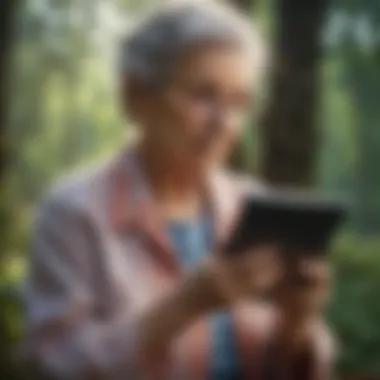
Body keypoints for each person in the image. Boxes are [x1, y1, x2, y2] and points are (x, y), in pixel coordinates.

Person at [22, 2, 334, 379]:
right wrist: (184, 306)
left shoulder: (250, 204)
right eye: (204, 95)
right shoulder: (74, 212)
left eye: (239, 102)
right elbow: (57, 365)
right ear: (136, 96)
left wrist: (297, 321)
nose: (224, 123)